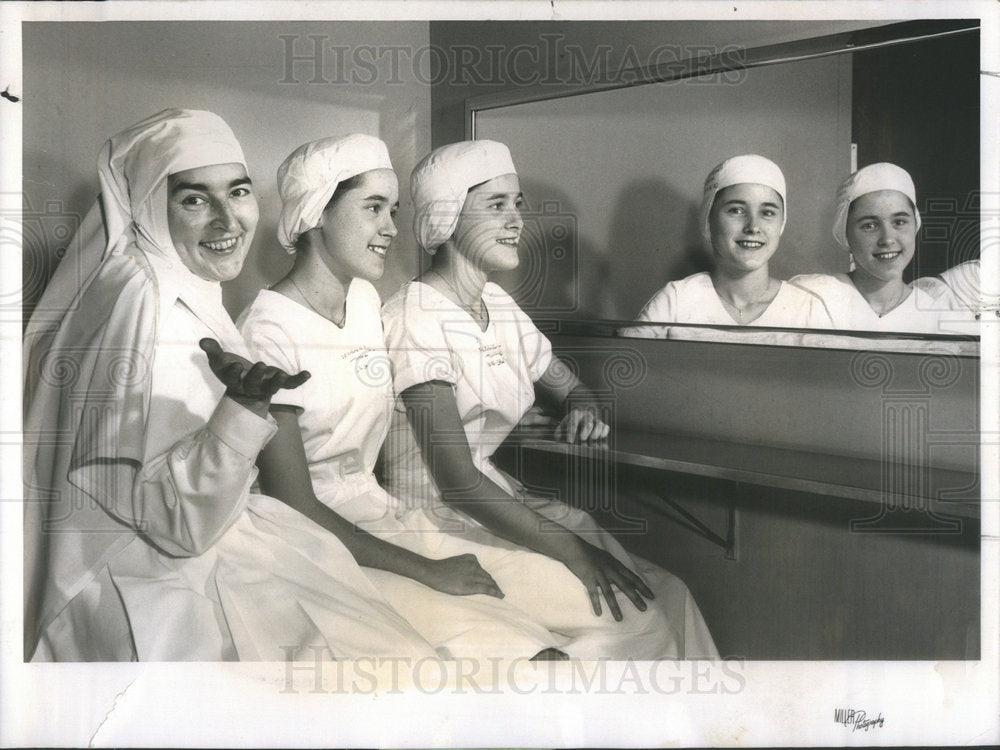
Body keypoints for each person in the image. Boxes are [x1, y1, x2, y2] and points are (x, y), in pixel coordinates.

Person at [22, 109, 437, 661]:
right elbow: (178, 526)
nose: (227, 220)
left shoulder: (168, 284)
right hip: (147, 579)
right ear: (148, 204)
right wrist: (243, 408)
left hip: (206, 533)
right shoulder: (148, 309)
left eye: (237, 192)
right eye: (194, 199)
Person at [379, 140, 718, 659]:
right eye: (496, 205)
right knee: (638, 620)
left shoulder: (497, 304)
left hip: (497, 502)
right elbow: (456, 482)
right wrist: (575, 552)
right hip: (435, 522)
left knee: (674, 592)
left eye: (518, 204)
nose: (516, 219)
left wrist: (582, 405)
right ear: (446, 216)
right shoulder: (415, 319)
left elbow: (569, 384)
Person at [238, 134, 561, 660]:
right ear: (317, 212)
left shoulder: (364, 301)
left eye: (392, 209)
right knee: (518, 654)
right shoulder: (267, 332)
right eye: (372, 208)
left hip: (381, 516)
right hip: (306, 544)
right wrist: (427, 571)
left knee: (539, 633)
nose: (391, 228)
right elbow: (291, 502)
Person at [625, 154, 832, 341]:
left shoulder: (808, 311)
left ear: (781, 223)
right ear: (709, 219)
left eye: (767, 213)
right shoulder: (677, 301)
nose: (753, 226)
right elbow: (627, 369)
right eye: (736, 210)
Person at [791, 162, 953, 334]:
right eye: (869, 225)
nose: (887, 239)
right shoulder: (811, 298)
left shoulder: (936, 317)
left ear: (915, 225)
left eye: (899, 222)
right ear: (845, 232)